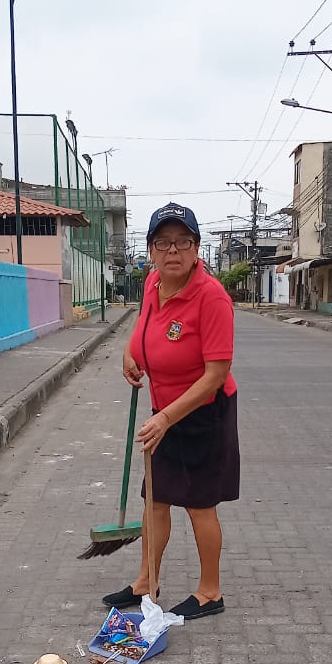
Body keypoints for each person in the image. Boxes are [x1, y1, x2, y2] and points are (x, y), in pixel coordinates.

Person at [102, 202, 239, 620]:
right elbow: (144, 323)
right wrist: (130, 352)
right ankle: (147, 580)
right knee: (156, 500)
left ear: (196, 248)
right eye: (163, 243)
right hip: (163, 410)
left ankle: (210, 591)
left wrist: (165, 417)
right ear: (151, 250)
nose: (173, 251)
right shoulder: (152, 283)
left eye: (183, 242)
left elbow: (216, 374)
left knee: (199, 504)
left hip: (204, 411)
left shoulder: (211, 298)